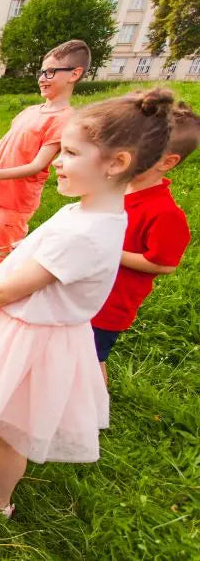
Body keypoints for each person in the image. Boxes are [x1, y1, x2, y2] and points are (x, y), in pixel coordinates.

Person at [0, 89, 175, 517]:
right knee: (4, 410)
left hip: (37, 342)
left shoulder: (86, 233)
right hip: (27, 329)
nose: (57, 162)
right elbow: (20, 260)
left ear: (116, 163)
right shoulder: (84, 213)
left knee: (17, 429)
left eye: (69, 153)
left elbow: (14, 287)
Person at [0, 40, 89, 262]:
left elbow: (38, 165)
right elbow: (2, 144)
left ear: (74, 74)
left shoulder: (64, 119)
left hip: (17, 200)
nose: (41, 78)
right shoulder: (30, 111)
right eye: (41, 72)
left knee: (2, 253)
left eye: (50, 72)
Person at [91, 101, 198, 384]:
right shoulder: (115, 189)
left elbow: (163, 264)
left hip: (109, 305)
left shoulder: (165, 213)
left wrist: (112, 253)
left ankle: (95, 407)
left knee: (91, 358)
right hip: (85, 291)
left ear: (167, 161)